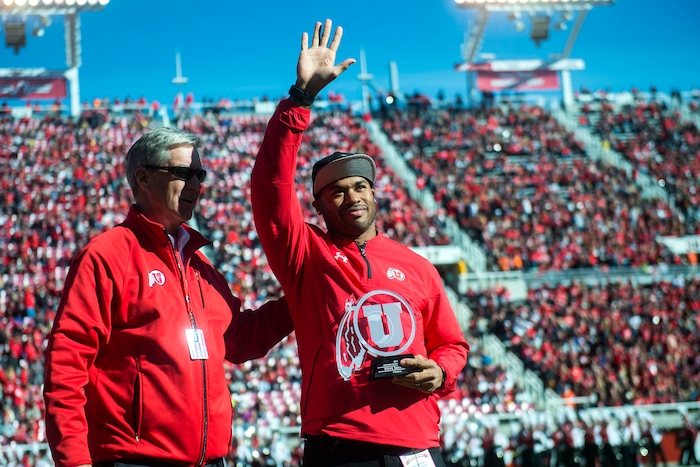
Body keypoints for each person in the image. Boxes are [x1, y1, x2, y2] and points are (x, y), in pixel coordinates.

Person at [251, 19, 469, 466]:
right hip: (341, 448)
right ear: (318, 205)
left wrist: (441, 371)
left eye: (359, 186)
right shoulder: (305, 257)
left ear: (374, 193)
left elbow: (451, 343)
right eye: (336, 191)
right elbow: (270, 189)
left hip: (418, 449)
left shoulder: (417, 266)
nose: (351, 197)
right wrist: (300, 99)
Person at [43, 127, 294, 467]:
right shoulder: (106, 256)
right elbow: (66, 365)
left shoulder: (200, 264)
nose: (195, 184)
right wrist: (74, 461)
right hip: (137, 460)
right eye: (183, 173)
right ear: (143, 178)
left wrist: (302, 298)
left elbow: (240, 339)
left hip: (213, 460)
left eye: (199, 175)